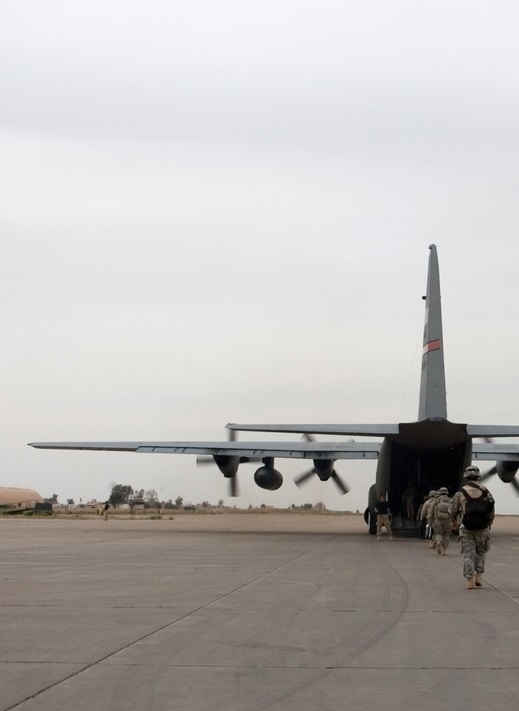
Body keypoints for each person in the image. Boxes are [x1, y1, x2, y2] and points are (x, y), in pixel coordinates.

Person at [450, 466, 495, 589]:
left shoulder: (460, 492)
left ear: (466, 477)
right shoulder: (486, 491)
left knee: (467, 554)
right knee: (481, 552)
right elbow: (491, 509)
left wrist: (454, 522)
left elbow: (452, 510)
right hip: (483, 528)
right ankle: (479, 576)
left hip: (466, 528)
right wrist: (488, 522)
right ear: (478, 477)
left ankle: (469, 580)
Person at [432, 486, 452, 555]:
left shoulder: (437, 500)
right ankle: (444, 550)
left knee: (438, 532)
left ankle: (438, 542)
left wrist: (431, 520)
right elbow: (454, 510)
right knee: (447, 534)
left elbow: (432, 510)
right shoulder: (450, 500)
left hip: (438, 519)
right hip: (448, 519)